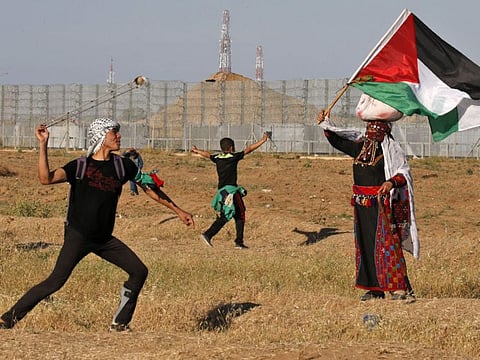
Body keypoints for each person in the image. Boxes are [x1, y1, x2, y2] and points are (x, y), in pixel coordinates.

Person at [0, 118, 194, 331]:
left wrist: (178, 210)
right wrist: (43, 144)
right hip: (78, 236)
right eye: (114, 132)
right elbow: (46, 179)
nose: (119, 136)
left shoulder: (123, 166)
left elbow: (150, 188)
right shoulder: (80, 166)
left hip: (104, 239)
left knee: (139, 271)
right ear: (101, 136)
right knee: (55, 282)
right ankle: (8, 318)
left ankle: (120, 323)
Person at [318, 94, 419, 302]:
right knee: (365, 244)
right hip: (361, 205)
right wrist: (326, 123)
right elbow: (337, 140)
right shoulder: (359, 148)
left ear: (385, 131)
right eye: (370, 129)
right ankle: (374, 289)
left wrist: (390, 182)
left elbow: (403, 173)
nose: (372, 132)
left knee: (388, 245)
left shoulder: (391, 150)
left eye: (377, 129)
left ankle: (400, 288)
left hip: (382, 205)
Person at [191, 133, 269, 249]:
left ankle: (237, 242)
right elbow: (249, 149)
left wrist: (197, 151)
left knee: (232, 215)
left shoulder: (217, 158)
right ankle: (210, 235)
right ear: (231, 148)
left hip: (222, 192)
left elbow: (208, 155)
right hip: (232, 192)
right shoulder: (233, 157)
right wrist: (262, 141)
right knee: (239, 214)